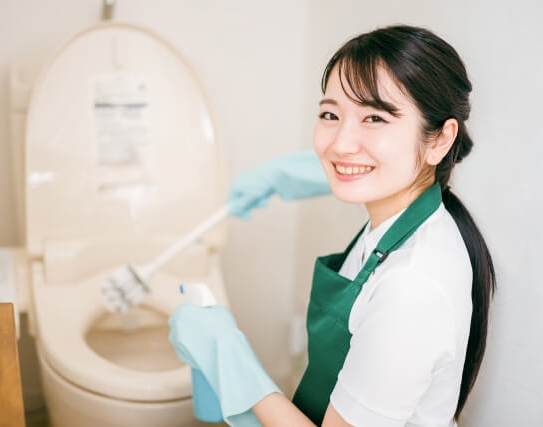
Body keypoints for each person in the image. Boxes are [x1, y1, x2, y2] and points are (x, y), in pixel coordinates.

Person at [168, 24, 496, 427]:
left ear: (440, 140)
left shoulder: (413, 288)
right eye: (330, 114)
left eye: (374, 117)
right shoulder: (404, 218)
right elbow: (365, 155)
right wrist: (292, 172)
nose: (340, 143)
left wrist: (232, 362)